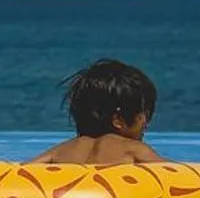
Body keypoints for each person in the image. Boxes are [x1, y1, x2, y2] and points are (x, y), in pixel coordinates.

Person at [30, 59, 169, 165]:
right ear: (119, 119)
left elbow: (22, 172)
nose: (146, 123)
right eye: (146, 113)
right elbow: (178, 176)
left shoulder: (59, 152)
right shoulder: (134, 150)